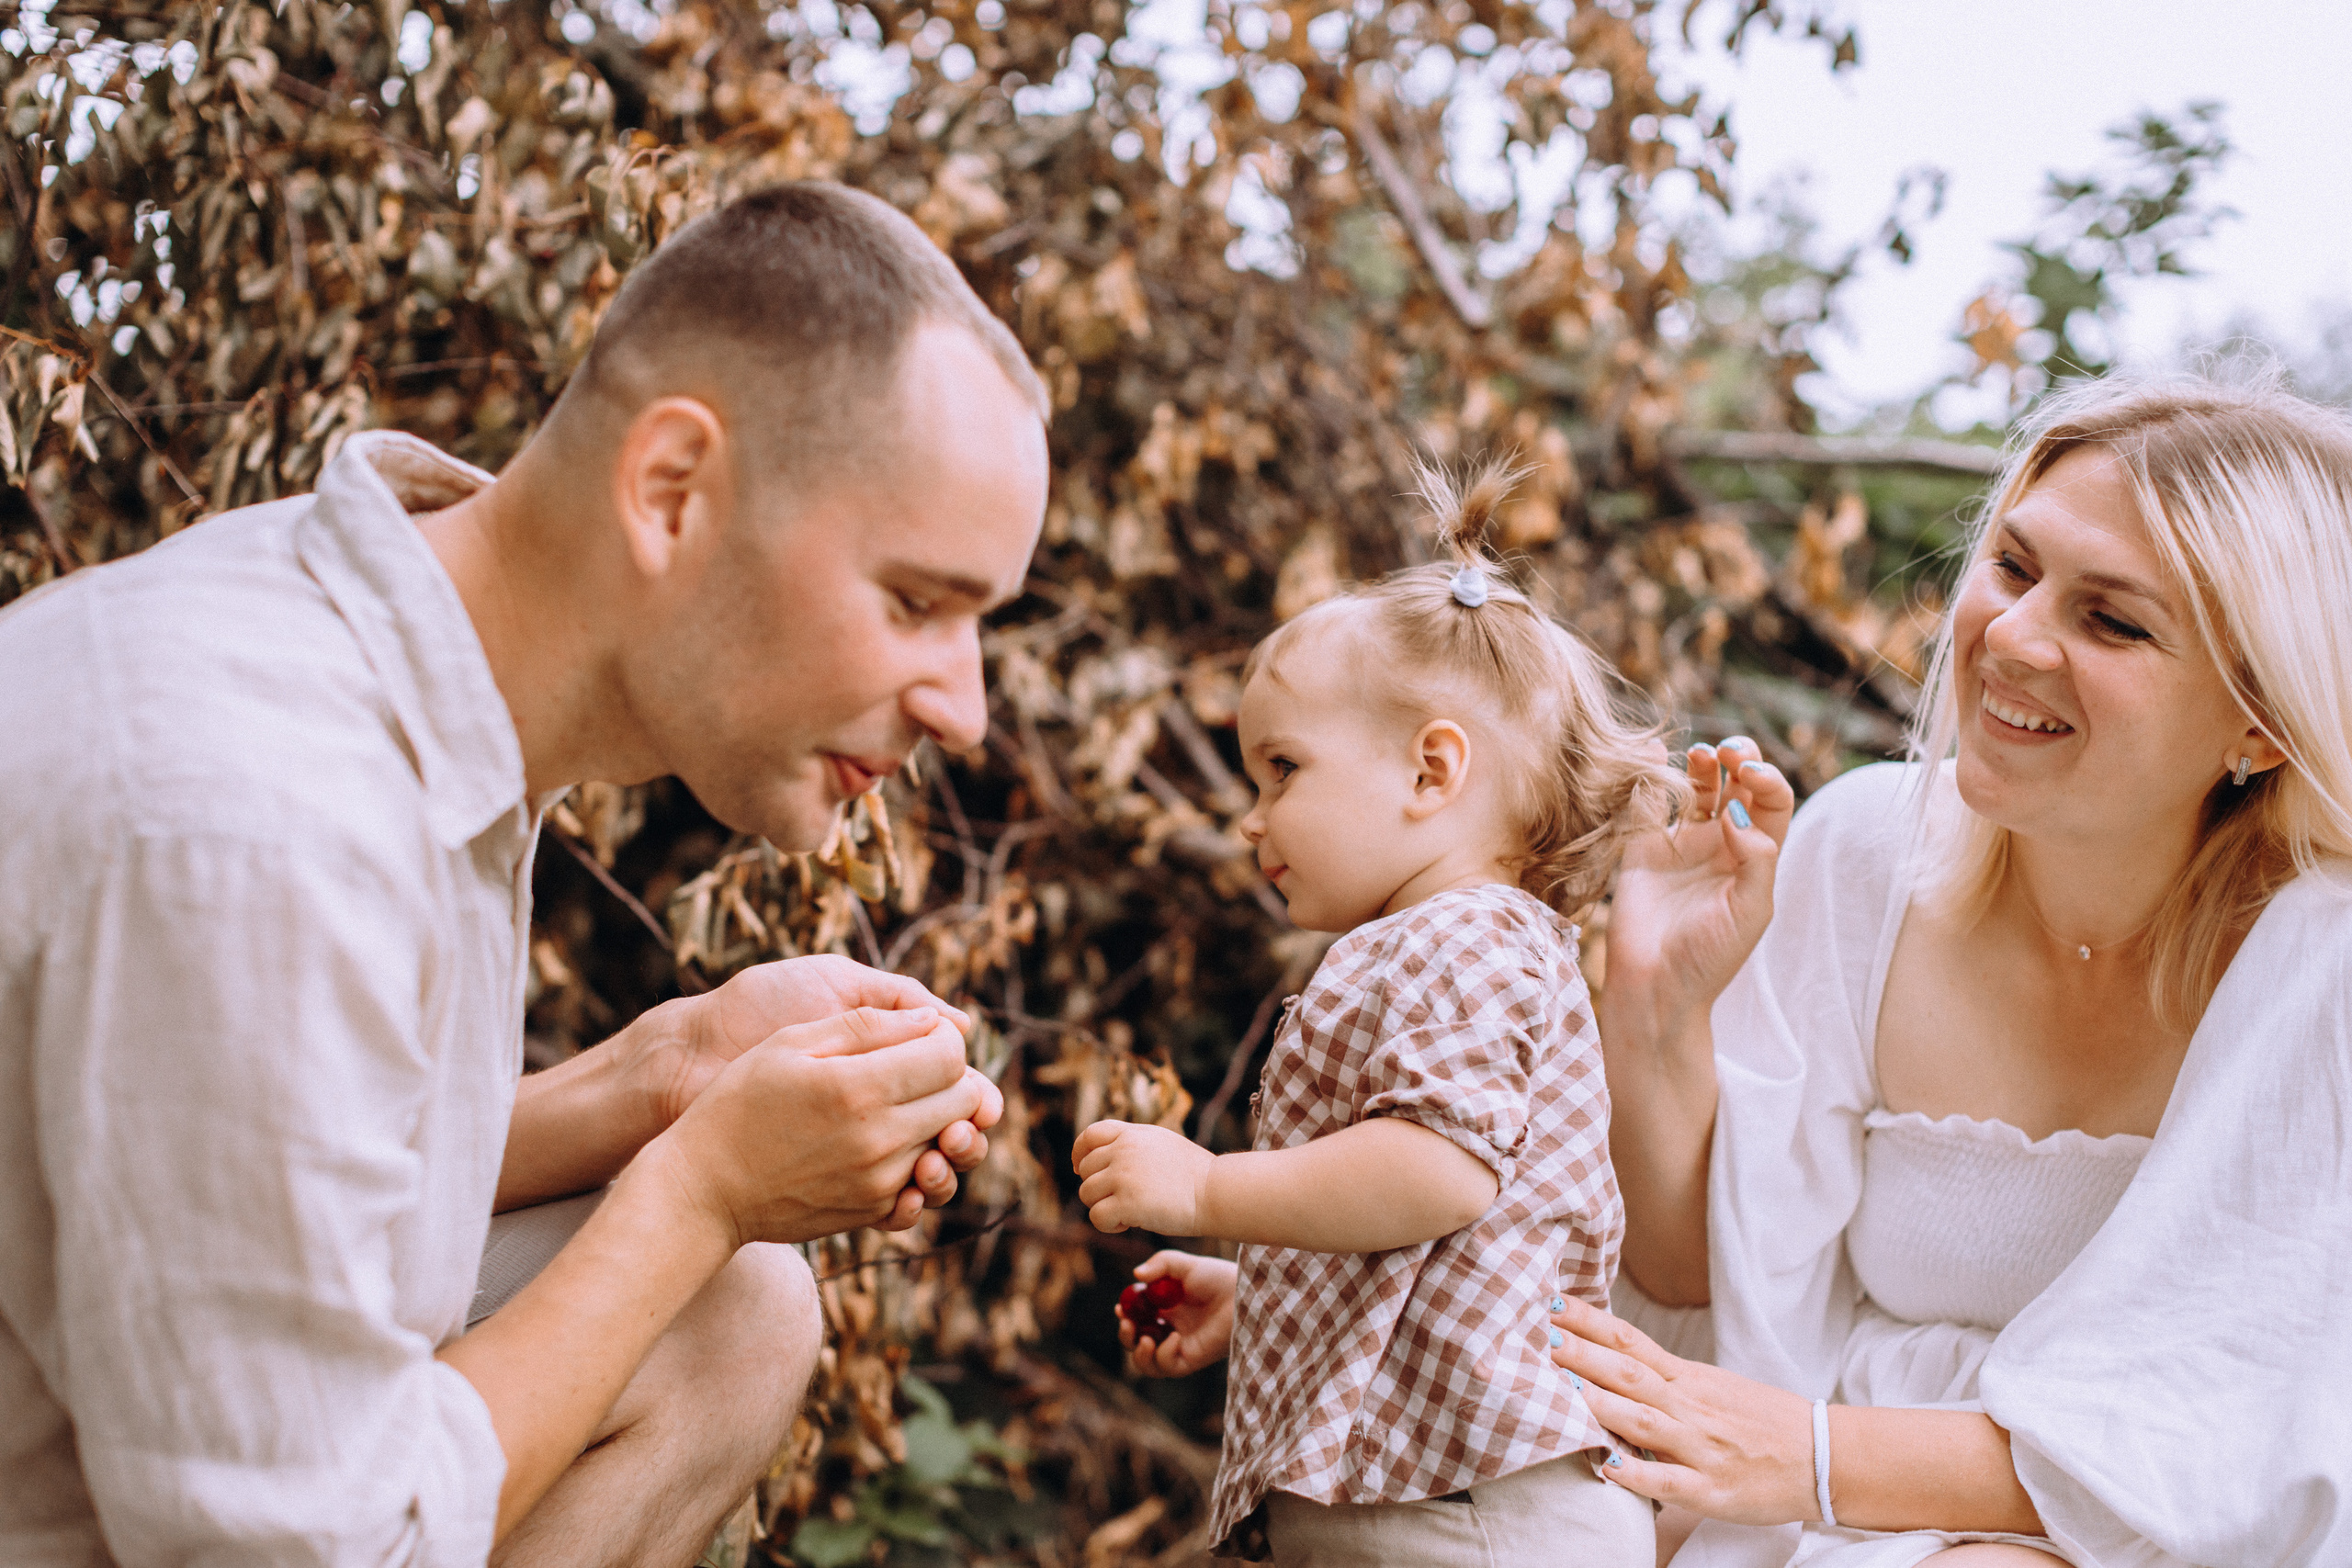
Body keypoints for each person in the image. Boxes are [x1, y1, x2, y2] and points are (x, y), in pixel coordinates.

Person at [0, 182, 1050, 1566]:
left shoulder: (378, 664)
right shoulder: (255, 816)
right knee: (703, 1266)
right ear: (672, 489)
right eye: (916, 601)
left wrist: (668, 1072)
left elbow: (279, 1173)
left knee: (734, 1315)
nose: (965, 708)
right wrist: (701, 1188)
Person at [1545, 371, 2352, 1566]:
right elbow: (1700, 1285)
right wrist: (1655, 1005)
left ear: (2261, 723)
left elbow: (2208, 1444)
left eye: (2113, 620)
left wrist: (1814, 1459)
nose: (2012, 637)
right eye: (2015, 568)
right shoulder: (1862, 848)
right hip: (1800, 1493)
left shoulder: (2320, 963)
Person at [1072, 466, 1684, 1565]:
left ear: (1430, 770)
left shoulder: (1464, 939)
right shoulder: (1442, 945)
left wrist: (1211, 1189)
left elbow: (1433, 1173)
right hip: (1437, 1497)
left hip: (1471, 1510)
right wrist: (1257, 1288)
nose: (1252, 820)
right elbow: (1432, 1241)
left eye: (1281, 771)